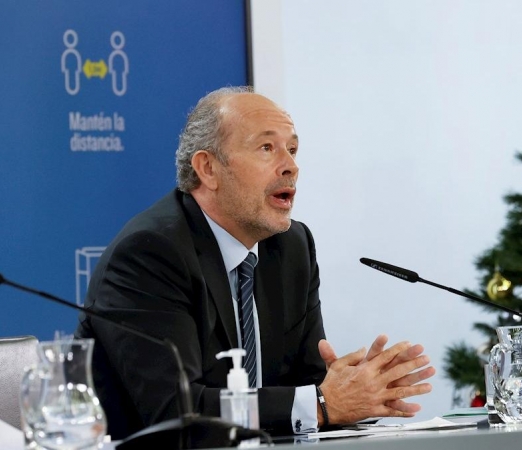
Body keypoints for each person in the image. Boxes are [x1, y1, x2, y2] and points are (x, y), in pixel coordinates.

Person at [75, 86, 435, 439]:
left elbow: (307, 387)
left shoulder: (291, 247)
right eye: (267, 148)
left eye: (293, 149)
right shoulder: (151, 253)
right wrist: (323, 402)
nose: (291, 166)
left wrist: (353, 390)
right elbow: (177, 411)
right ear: (208, 168)